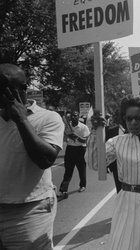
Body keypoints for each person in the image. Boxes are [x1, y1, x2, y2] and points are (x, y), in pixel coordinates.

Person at [87, 97, 140, 250]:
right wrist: (94, 132)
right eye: (129, 118)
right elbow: (95, 164)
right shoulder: (116, 142)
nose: (133, 122)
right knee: (123, 242)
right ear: (124, 120)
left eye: (139, 118)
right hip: (127, 199)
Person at [0, 63, 64, 249]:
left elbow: (45, 160)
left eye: (4, 89)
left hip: (29, 210)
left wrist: (21, 119)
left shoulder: (48, 118)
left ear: (22, 90)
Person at [57, 110, 90, 200]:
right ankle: (63, 190)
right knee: (68, 171)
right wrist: (67, 136)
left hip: (80, 150)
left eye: (75, 116)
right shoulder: (67, 127)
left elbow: (84, 140)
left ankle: (82, 185)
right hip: (70, 149)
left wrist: (75, 136)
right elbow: (64, 139)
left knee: (81, 169)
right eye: (72, 116)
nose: (73, 117)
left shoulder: (83, 127)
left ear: (78, 116)